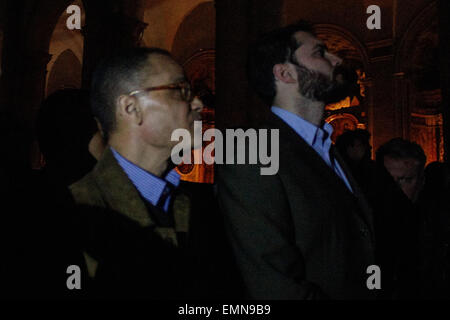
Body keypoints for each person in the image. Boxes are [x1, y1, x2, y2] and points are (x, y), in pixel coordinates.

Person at [217, 21, 375, 299]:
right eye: (320, 53)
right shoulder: (252, 151)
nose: (336, 59)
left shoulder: (328, 147)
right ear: (285, 73)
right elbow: (272, 282)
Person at [69, 47, 211, 298]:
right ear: (131, 107)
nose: (198, 102)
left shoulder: (203, 204)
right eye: (181, 90)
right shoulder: (73, 213)